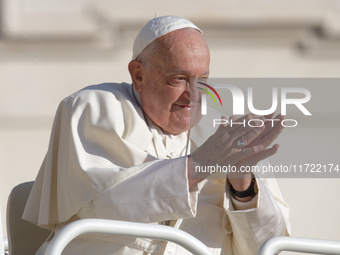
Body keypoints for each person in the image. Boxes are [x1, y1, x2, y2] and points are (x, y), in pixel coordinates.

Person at [23, 15, 290, 255]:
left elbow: (266, 248)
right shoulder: (95, 107)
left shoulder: (226, 136)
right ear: (138, 75)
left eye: (203, 80)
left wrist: (243, 189)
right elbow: (102, 202)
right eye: (178, 79)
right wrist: (197, 165)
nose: (193, 95)